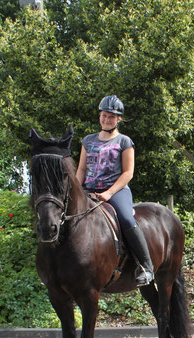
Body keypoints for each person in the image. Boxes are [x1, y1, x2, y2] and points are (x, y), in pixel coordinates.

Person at [76, 95, 154, 286]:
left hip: (116, 191)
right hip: (89, 190)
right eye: (104, 116)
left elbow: (128, 172)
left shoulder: (124, 141)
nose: (106, 119)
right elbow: (82, 170)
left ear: (118, 119)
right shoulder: (88, 141)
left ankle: (146, 266)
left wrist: (109, 193)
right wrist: (77, 189)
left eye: (111, 117)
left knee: (127, 218)